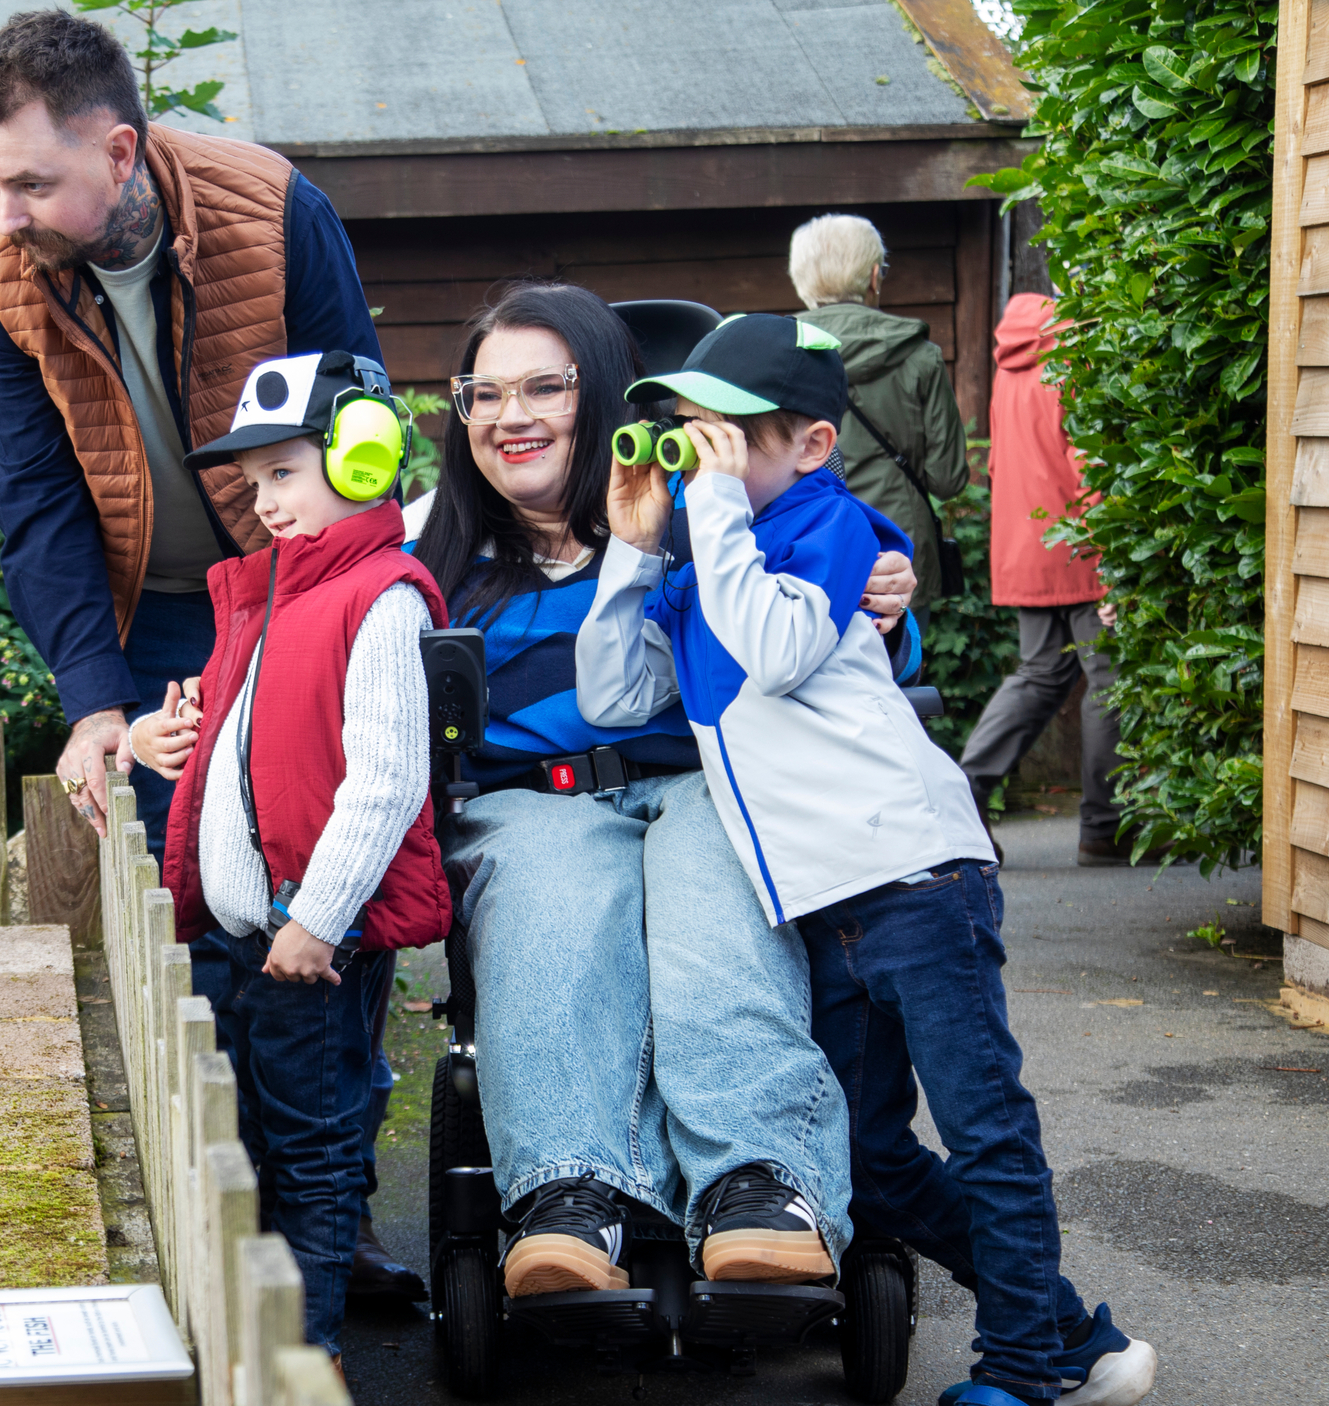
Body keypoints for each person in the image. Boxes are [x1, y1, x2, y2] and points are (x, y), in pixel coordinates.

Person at [578, 312, 1157, 1406]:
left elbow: (784, 649)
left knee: (986, 1129)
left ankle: (1025, 1369)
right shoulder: (711, 564)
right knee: (868, 1158)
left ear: (809, 444)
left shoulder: (830, 525)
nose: (700, 455)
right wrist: (631, 545)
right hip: (822, 910)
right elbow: (611, 693)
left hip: (917, 882)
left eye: (726, 436)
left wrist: (709, 515)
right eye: (686, 431)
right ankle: (1071, 1332)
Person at [0, 10, 421, 1298]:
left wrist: (340, 608)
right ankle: (242, 1218)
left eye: (31, 181)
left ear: (118, 147)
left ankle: (338, 1206)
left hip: (301, 592)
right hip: (157, 614)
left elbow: (354, 416)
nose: (5, 211)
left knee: (326, 889)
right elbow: (31, 484)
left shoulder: (273, 207)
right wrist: (93, 698)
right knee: (206, 906)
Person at [405, 284, 924, 1299]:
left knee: (713, 890)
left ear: (600, 393)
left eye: (544, 388)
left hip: (704, 778)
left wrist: (885, 605)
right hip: (530, 800)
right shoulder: (434, 548)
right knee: (555, 895)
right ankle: (569, 1191)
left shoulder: (709, 506)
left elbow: (829, 615)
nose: (511, 416)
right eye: (485, 393)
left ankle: (759, 1183)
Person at [127, 350, 447, 1368]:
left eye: (284, 473)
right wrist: (155, 739)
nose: (262, 499)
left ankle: (304, 1359)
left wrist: (319, 917)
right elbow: (247, 746)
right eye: (252, 479)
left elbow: (386, 779)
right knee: (260, 1141)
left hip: (306, 943)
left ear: (360, 462)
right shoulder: (266, 598)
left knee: (311, 1150)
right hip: (248, 937)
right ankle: (270, 1343)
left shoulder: (378, 596)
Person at [958, 292, 1136, 864]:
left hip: (1027, 544)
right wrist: (1112, 554)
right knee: (1108, 680)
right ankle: (1104, 828)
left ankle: (964, 795)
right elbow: (1091, 463)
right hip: (1079, 543)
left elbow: (998, 464)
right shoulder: (1072, 362)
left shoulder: (1010, 367)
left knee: (1041, 674)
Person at [793, 214, 970, 618]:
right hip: (895, 553)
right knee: (900, 673)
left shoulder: (775, 355)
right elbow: (948, 479)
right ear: (875, 276)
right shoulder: (919, 355)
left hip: (804, 546)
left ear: (801, 282)